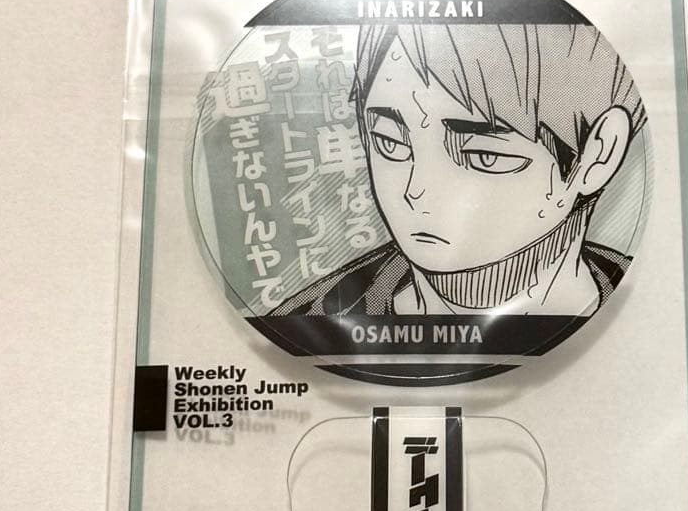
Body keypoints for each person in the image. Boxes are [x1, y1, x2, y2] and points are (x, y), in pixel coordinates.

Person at [271, 22, 646, 318]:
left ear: (599, 154)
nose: (416, 191)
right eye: (391, 143)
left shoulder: (653, 310)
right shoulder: (306, 324)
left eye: (483, 156)